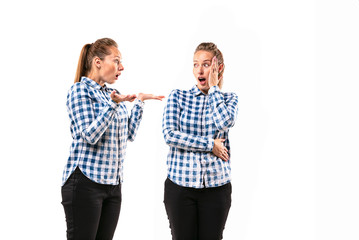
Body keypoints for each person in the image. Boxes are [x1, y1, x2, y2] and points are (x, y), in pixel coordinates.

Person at [61, 37, 164, 240]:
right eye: (116, 60)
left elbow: (129, 134)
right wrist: (113, 104)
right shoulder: (79, 91)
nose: (121, 67)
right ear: (98, 62)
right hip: (85, 183)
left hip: (113, 185)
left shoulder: (112, 94)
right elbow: (90, 136)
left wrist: (140, 103)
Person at [162, 42, 239, 240]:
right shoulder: (178, 97)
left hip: (217, 188)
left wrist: (214, 89)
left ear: (218, 68)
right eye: (196, 64)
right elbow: (170, 135)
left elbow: (224, 122)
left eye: (206, 64)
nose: (200, 70)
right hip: (180, 187)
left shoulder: (229, 99)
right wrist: (210, 145)